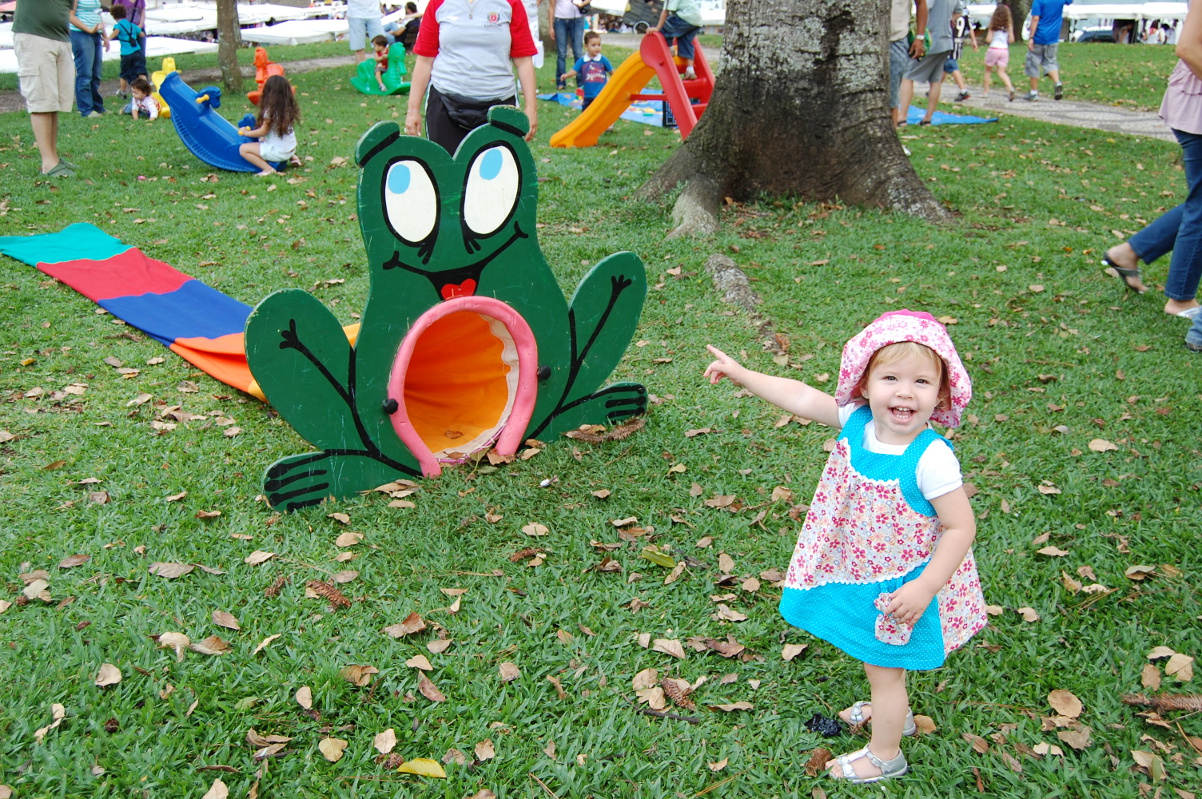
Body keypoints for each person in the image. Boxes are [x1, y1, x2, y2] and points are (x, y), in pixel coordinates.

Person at [704, 310, 985, 783]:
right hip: (855, 566)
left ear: (940, 393)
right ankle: (896, 714)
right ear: (865, 384)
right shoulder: (857, 422)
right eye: (890, 377)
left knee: (883, 670)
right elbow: (798, 395)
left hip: (900, 587)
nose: (903, 392)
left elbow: (961, 528)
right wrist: (741, 374)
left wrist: (924, 588)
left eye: (921, 381)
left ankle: (885, 755)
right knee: (878, 664)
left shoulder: (930, 457)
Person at [1103, 1, 1202, 322]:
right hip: (1196, 107)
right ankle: (1180, 299)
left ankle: (1127, 253)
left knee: (1199, 202)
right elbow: (1187, 48)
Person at [405, 0, 539, 154]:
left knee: (496, 173)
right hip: (445, 104)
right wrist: (413, 111)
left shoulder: (511, 4)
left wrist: (531, 108)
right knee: (446, 173)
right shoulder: (438, 3)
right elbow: (424, 61)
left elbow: (523, 61)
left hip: (499, 105)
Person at [12, 0, 79, 176]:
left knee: (53, 101)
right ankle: (48, 162)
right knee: (42, 99)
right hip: (34, 35)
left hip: (60, 37)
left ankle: (53, 158)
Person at [898, 0, 954, 126]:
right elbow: (958, 12)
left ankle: (901, 117)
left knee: (907, 76)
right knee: (936, 80)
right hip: (946, 40)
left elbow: (922, 7)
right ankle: (928, 118)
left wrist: (919, 34)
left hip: (930, 40)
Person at [238, 75, 300, 176]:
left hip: (280, 152)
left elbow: (263, 131)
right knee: (264, 140)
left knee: (243, 149)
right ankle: (294, 158)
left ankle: (268, 169)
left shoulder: (270, 111)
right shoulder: (288, 107)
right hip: (291, 149)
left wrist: (246, 133)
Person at [889, 0, 927, 129]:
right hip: (867, 39)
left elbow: (921, 3)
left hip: (896, 39)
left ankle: (892, 139)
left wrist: (920, 37)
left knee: (891, 98)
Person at [1025, 0, 1071, 101]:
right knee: (1050, 61)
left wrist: (1031, 37)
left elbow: (1035, 18)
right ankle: (1057, 82)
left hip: (1039, 36)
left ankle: (1033, 92)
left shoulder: (1038, 1)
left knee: (1033, 63)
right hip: (1053, 37)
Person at [70, 0, 109, 119]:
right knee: (85, 73)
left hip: (95, 33)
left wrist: (105, 35)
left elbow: (97, 13)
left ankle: (97, 106)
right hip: (81, 34)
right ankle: (86, 109)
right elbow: (70, 16)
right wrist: (88, 29)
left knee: (96, 73)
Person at [649, 0, 702, 81]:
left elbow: (665, 12)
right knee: (686, 42)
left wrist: (657, 28)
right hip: (696, 20)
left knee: (665, 27)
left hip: (686, 17)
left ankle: (670, 49)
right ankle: (690, 70)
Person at [560, 31, 613, 111]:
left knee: (601, 113)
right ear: (586, 46)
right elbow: (575, 70)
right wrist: (567, 75)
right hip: (588, 96)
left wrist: (620, 78)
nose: (597, 47)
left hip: (601, 95)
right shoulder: (583, 60)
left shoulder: (603, 60)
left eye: (599, 45)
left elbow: (612, 72)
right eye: (593, 45)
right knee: (586, 113)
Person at [110, 4, 148, 100]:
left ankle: (122, 92)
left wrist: (107, 39)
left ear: (114, 16)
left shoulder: (118, 26)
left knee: (124, 74)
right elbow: (142, 34)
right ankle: (146, 90)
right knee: (141, 72)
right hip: (137, 51)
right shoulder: (132, 25)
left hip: (126, 54)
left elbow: (115, 33)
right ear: (125, 14)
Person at [982, 4, 1016, 101]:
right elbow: (1012, 39)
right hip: (1004, 50)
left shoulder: (993, 25)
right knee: (1001, 72)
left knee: (988, 70)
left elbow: (988, 39)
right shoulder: (1009, 26)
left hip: (994, 48)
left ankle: (985, 92)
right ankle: (1010, 88)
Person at [550, 0, 587, 91]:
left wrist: (582, 4)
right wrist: (551, 26)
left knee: (578, 52)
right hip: (560, 19)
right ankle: (560, 81)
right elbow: (551, 6)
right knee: (562, 53)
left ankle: (581, 82)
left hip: (577, 19)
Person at [946, 2, 978, 102]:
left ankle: (963, 90)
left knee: (950, 63)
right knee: (944, 65)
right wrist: (973, 40)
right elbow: (970, 27)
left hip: (951, 40)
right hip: (959, 41)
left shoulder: (951, 8)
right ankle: (935, 86)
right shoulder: (965, 11)